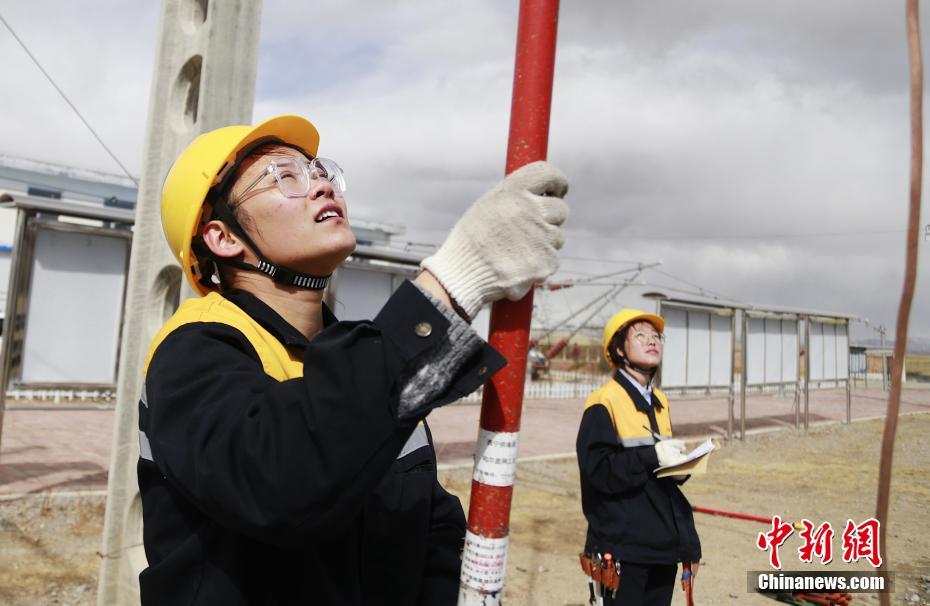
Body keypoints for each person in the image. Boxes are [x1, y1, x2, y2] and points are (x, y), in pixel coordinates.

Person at [136, 114, 569, 605]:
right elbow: (283, 483)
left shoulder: (355, 361)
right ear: (224, 238)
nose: (321, 186)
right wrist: (457, 280)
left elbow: (427, 529)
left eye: (319, 171)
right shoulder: (194, 350)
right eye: (284, 177)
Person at [576, 309, 701, 605]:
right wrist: (652, 456)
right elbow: (599, 472)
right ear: (619, 349)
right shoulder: (604, 401)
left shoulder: (660, 402)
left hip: (662, 548)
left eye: (656, 336)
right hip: (623, 550)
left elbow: (658, 481)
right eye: (641, 335)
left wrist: (678, 468)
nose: (652, 341)